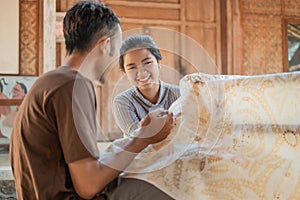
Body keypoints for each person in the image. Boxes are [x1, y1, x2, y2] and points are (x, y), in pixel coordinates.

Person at [10, 1, 174, 200]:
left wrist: (139, 135)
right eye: (116, 51)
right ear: (105, 45)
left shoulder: (51, 80)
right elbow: (88, 185)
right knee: (173, 187)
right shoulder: (72, 85)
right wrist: (144, 138)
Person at [113, 35, 180, 137]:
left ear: (158, 63)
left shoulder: (180, 94)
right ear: (124, 73)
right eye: (132, 68)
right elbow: (139, 139)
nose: (141, 73)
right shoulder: (123, 101)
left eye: (147, 63)